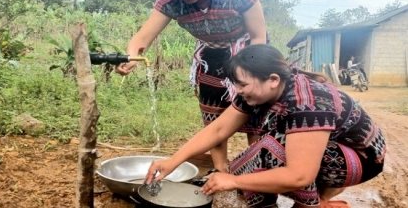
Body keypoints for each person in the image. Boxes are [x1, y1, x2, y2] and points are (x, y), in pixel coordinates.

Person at [145, 44, 386, 208]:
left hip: (360, 159)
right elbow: (218, 129)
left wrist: (235, 182)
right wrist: (172, 162)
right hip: (329, 149)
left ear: (272, 80)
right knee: (242, 167)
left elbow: (299, 175)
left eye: (241, 84)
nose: (237, 91)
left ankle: (312, 203)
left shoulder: (308, 102)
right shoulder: (254, 91)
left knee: (270, 154)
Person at [115, 0, 267, 173]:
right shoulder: (171, 2)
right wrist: (133, 57)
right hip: (211, 57)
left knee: (255, 113)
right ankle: (220, 171)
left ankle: (258, 171)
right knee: (212, 116)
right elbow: (143, 37)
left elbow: (258, 37)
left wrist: (254, 73)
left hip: (249, 52)